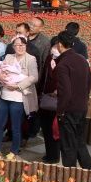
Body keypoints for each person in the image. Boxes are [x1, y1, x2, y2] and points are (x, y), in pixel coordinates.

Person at [0, 36, 38, 157]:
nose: (20, 47)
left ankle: (14, 151)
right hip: (5, 95)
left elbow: (34, 77)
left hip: (19, 97)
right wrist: (0, 77)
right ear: (13, 47)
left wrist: (18, 86)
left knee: (16, 126)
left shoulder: (31, 59)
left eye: (22, 45)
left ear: (26, 46)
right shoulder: (8, 57)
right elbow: (0, 71)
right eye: (17, 45)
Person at [54, 31, 91, 170]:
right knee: (79, 140)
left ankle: (69, 172)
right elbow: (89, 81)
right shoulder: (82, 59)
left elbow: (65, 92)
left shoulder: (63, 64)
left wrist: (60, 111)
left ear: (60, 45)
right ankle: (87, 167)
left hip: (68, 109)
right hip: (82, 106)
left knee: (68, 144)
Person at [37, 36, 62, 164]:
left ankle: (55, 155)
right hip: (45, 97)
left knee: (55, 130)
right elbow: (44, 76)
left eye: (58, 46)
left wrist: (58, 91)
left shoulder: (64, 60)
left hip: (57, 100)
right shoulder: (48, 58)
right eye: (54, 45)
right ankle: (49, 153)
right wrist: (39, 92)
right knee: (46, 128)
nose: (56, 48)